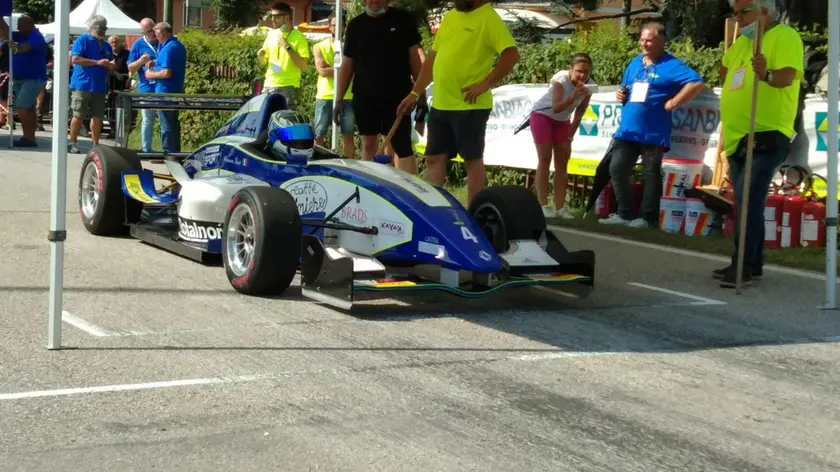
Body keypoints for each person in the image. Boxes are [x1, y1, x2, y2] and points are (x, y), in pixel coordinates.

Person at [715, 0, 804, 288]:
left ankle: (742, 264)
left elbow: (786, 77)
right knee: (743, 199)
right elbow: (726, 72)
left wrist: (765, 74)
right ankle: (752, 262)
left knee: (748, 197)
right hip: (739, 135)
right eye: (735, 13)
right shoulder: (741, 42)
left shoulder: (784, 36)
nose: (738, 18)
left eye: (744, 12)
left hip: (766, 131)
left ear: (764, 11)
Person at [396, 0, 519, 205]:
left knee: (471, 161)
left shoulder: (489, 18)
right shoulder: (451, 17)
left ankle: (474, 214)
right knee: (434, 158)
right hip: (441, 103)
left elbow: (511, 55)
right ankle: (435, 210)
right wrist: (415, 93)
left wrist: (485, 84)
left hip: (470, 105)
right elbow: (431, 61)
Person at [599, 21, 705, 228]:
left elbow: (696, 82)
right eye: (642, 40)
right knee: (618, 168)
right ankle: (624, 214)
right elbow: (625, 88)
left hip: (653, 131)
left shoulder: (672, 65)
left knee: (650, 173)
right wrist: (621, 93)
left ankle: (646, 218)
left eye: (649, 40)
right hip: (627, 129)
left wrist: (674, 102)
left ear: (662, 41)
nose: (644, 44)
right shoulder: (635, 63)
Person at [335, 0, 425, 173]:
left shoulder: (402, 20)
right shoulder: (355, 26)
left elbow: (415, 59)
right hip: (365, 96)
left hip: (398, 96)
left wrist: (420, 95)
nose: (373, 1)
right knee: (368, 143)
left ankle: (410, 192)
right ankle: (370, 185)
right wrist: (339, 99)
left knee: (402, 145)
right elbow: (347, 64)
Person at [529, 53, 596, 219]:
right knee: (544, 159)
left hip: (562, 122)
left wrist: (569, 138)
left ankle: (560, 208)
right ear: (570, 70)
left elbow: (579, 113)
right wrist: (573, 96)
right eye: (579, 71)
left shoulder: (590, 86)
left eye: (586, 72)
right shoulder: (561, 79)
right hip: (543, 116)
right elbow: (556, 107)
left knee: (562, 163)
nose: (582, 75)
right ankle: (543, 205)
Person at [69, 15, 115, 153]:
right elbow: (75, 59)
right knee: (78, 114)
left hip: (100, 85)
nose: (102, 31)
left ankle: (95, 145)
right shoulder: (83, 39)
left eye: (105, 28)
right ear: (91, 27)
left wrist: (112, 66)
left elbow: (111, 63)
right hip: (82, 84)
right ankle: (73, 143)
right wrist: (97, 62)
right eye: (100, 28)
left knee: (98, 116)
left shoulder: (107, 45)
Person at [312, 12, 355, 158]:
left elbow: (355, 71)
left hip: (347, 95)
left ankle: (349, 166)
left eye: (340, 25)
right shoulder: (319, 46)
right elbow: (322, 71)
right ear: (330, 27)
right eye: (334, 25)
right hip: (325, 95)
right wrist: (345, 69)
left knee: (348, 135)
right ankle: (318, 162)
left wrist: (334, 67)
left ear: (345, 27)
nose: (337, 28)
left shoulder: (351, 47)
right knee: (319, 134)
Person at [258, 2, 310, 109]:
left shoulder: (299, 37)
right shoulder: (271, 34)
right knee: (265, 122)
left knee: (285, 122)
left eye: (276, 16)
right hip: (269, 85)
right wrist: (260, 56)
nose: (272, 19)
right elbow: (264, 63)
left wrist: (287, 46)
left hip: (288, 87)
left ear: (287, 17)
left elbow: (304, 66)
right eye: (271, 16)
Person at [144, 22, 186, 154]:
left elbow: (166, 72)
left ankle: (169, 155)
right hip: (176, 90)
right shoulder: (178, 46)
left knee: (166, 125)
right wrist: (156, 62)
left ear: (161, 32)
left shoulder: (167, 48)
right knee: (173, 123)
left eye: (156, 33)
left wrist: (151, 74)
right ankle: (176, 153)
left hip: (165, 93)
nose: (155, 36)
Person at [9, 15, 47, 147]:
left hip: (33, 79)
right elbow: (4, 31)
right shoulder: (22, 34)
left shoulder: (36, 36)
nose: (18, 27)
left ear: (29, 24)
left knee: (21, 106)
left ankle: (27, 137)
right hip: (23, 78)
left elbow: (24, 48)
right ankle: (30, 138)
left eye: (20, 24)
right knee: (28, 108)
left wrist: (14, 46)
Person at [127, 18, 159, 152]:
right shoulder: (138, 44)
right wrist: (140, 61)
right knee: (147, 120)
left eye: (152, 30)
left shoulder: (162, 41)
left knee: (165, 119)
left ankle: (168, 151)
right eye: (147, 32)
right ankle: (147, 149)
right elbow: (130, 67)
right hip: (146, 87)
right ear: (143, 32)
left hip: (162, 86)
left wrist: (155, 62)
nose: (151, 33)